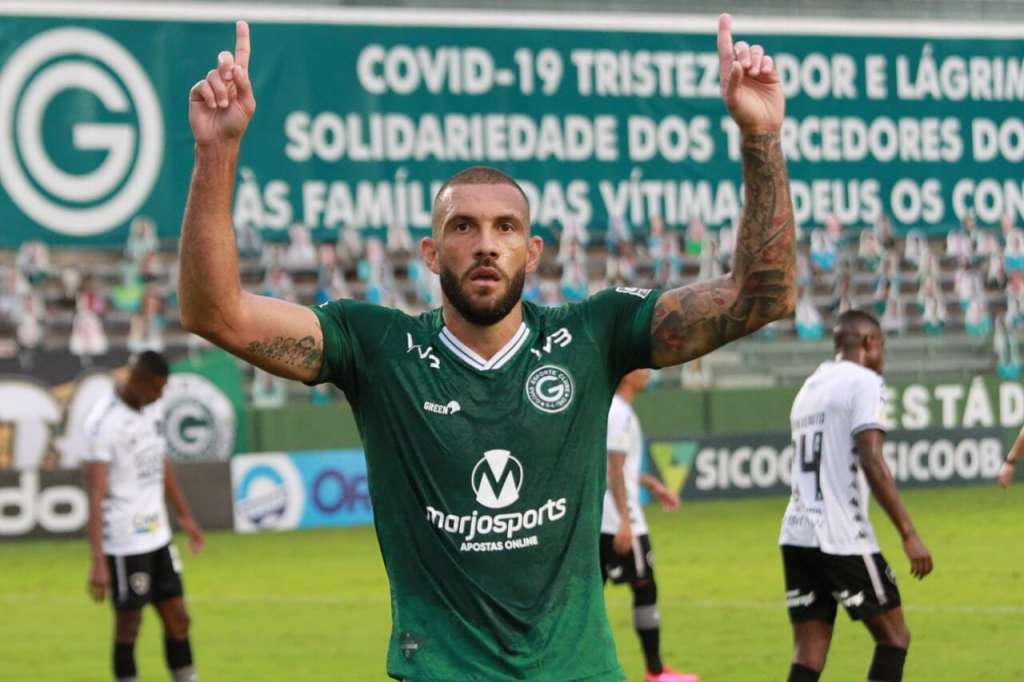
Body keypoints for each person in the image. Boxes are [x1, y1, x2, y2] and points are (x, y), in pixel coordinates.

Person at [179, 15, 796, 681]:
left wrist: (760, 136)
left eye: (505, 227)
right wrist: (217, 153)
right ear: (430, 252)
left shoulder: (595, 334)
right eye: (463, 226)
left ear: (532, 250)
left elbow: (760, 298)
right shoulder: (376, 347)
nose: (484, 243)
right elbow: (215, 312)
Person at [779, 311, 933, 682]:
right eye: (882, 347)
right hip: (840, 536)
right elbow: (871, 459)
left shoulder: (809, 387)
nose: (883, 356)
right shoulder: (865, 382)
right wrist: (908, 533)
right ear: (868, 344)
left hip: (797, 533)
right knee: (895, 636)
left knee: (809, 652)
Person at [83, 351, 205, 682]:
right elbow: (95, 493)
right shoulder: (102, 424)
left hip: (159, 536)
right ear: (136, 380)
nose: (160, 395)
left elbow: (160, 461)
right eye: (156, 388)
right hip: (124, 541)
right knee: (129, 624)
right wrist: (98, 560)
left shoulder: (153, 406)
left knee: (179, 618)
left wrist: (185, 516)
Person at [600, 369, 698, 682]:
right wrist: (625, 521)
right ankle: (655, 672)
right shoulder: (620, 413)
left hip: (602, 518)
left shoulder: (611, 409)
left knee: (590, 595)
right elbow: (614, 469)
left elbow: (613, 466)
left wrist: (651, 484)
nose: (648, 372)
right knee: (644, 587)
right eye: (642, 368)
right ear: (626, 375)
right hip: (619, 519)